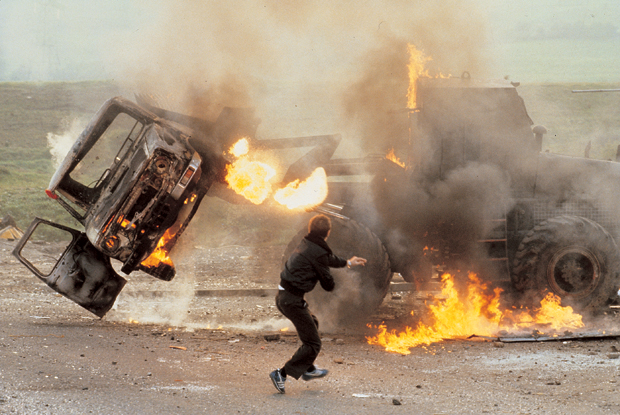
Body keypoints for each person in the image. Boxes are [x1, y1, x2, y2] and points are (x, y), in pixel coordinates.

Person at [269, 214, 367, 394]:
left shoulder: (307, 243)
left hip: (284, 296)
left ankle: (307, 368)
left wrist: (347, 263)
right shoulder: (318, 251)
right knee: (314, 343)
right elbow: (328, 284)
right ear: (328, 233)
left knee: (312, 323)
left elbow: (326, 258)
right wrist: (331, 277)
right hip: (291, 301)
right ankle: (281, 374)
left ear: (310, 229)